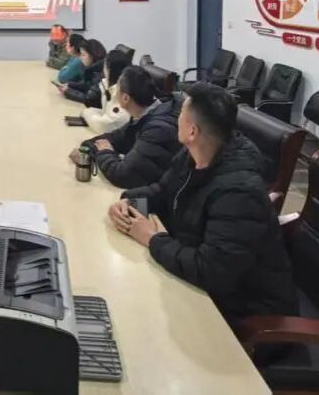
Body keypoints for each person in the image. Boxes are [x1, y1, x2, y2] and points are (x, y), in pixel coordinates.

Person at [108, 83, 297, 323]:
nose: (176, 119)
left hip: (243, 312)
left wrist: (152, 239)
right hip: (199, 281)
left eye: (181, 114)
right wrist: (129, 202)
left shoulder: (238, 192)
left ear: (192, 131)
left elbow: (212, 271)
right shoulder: (194, 154)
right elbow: (164, 191)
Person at [71, 65, 180, 188]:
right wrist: (86, 150)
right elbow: (116, 137)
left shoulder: (158, 129)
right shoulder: (143, 116)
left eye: (117, 89)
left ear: (125, 98)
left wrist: (105, 152)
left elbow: (123, 176)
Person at [80, 49, 133, 134]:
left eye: (104, 66)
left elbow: (105, 126)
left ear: (108, 69)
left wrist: (86, 114)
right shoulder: (108, 86)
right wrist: (89, 113)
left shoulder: (123, 94)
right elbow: (105, 114)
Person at [59, 38, 106, 108]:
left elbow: (89, 99)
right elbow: (87, 85)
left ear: (92, 55)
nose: (81, 58)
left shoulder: (100, 73)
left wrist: (68, 92)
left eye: (83, 55)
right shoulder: (93, 69)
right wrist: (70, 85)